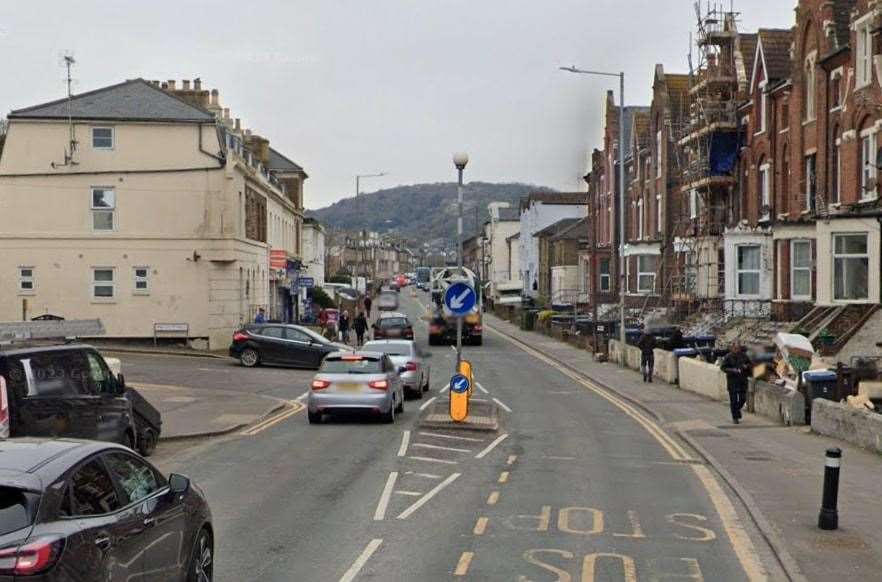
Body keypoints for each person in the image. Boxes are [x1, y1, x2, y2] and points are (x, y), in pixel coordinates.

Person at [720, 341, 753, 424]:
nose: (737, 349)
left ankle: (737, 410)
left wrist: (746, 366)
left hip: (742, 380)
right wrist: (732, 370)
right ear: (732, 348)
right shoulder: (728, 357)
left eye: (738, 348)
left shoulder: (744, 356)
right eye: (735, 348)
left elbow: (750, 364)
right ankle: (735, 417)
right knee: (733, 400)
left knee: (743, 398)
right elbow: (723, 367)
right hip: (732, 381)